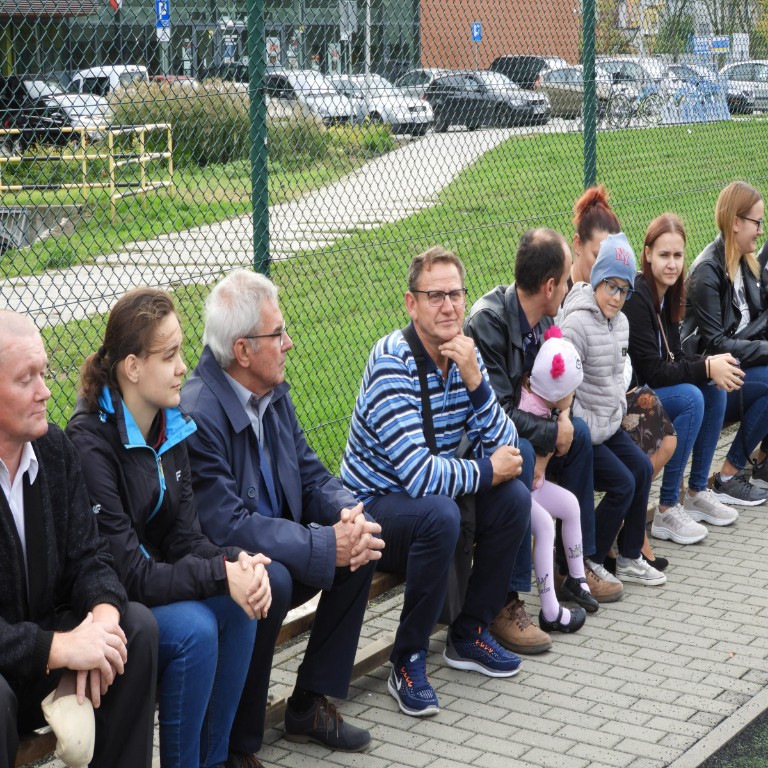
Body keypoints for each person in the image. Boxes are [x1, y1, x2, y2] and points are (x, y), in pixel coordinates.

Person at [181, 269, 383, 764]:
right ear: (243, 350)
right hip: (227, 563)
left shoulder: (271, 392)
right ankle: (237, 745)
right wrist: (322, 545)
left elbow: (311, 474)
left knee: (363, 546)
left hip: (282, 546)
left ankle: (309, 704)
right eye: (278, 334)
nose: (289, 343)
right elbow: (228, 525)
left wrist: (347, 514)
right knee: (272, 582)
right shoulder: (198, 413)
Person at [66, 288, 272, 768]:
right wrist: (220, 574)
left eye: (181, 352)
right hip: (107, 604)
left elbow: (185, 537)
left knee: (240, 606)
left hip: (149, 582)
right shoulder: (90, 443)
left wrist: (234, 564)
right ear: (132, 367)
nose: (183, 367)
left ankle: (213, 760)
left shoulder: (170, 422)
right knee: (196, 629)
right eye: (169, 356)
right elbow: (128, 574)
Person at [342, 246, 531, 718]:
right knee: (443, 513)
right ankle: (407, 660)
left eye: (455, 294)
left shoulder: (465, 354)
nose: (448, 306)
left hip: (430, 503)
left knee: (513, 498)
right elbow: (418, 474)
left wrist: (477, 384)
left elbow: (508, 448)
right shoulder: (392, 361)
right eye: (435, 296)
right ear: (412, 303)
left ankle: (468, 633)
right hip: (373, 508)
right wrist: (486, 471)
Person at [0, 310, 158, 768]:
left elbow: (91, 556)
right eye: (26, 379)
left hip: (45, 657)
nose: (45, 391)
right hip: (8, 672)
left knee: (136, 629)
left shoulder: (53, 450)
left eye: (44, 373)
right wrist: (60, 649)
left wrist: (101, 628)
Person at [465, 228, 622, 654]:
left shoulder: (546, 321)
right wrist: (551, 434)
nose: (571, 287)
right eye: (567, 280)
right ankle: (506, 600)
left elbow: (557, 388)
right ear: (550, 286)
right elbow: (496, 413)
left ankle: (573, 567)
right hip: (479, 444)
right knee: (522, 450)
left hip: (530, 433)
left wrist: (562, 422)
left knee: (579, 435)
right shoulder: (489, 322)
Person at [570, 185, 674, 570]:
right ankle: (593, 556)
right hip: (584, 426)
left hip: (609, 416)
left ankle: (631, 549)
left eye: (623, 289)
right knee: (625, 479)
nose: (616, 295)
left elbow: (619, 370)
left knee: (650, 453)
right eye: (611, 285)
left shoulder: (618, 318)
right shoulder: (575, 313)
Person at [623, 213, 742, 547]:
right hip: (631, 400)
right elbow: (653, 371)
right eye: (664, 255)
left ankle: (697, 492)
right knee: (692, 397)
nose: (672, 264)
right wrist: (706, 366)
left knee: (715, 389)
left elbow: (675, 356)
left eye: (677, 255)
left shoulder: (670, 294)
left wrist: (710, 365)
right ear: (647, 254)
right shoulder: (638, 296)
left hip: (652, 389)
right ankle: (666, 507)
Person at [682, 181, 768, 505]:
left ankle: (761, 465)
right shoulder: (708, 270)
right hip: (711, 379)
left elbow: (756, 322)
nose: (761, 230)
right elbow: (717, 343)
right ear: (735, 222)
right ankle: (728, 478)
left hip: (739, 368)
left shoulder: (746, 262)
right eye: (757, 222)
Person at [517, 327, 595, 629]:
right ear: (555, 394)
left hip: (535, 485)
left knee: (571, 505)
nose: (573, 397)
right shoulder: (528, 409)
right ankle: (550, 611)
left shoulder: (546, 402)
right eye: (570, 392)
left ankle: (576, 578)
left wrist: (562, 414)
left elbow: (560, 424)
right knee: (545, 526)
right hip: (519, 491)